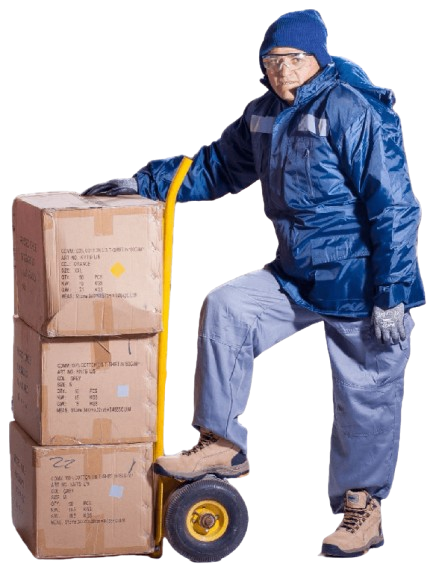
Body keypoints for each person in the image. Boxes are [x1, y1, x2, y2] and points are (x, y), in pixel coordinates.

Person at [82, 9, 426, 559]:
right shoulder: (262, 116)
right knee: (228, 307)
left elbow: (395, 207)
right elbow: (216, 167)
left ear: (319, 60)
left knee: (365, 396)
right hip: (296, 272)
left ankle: (362, 507)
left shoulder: (352, 110)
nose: (282, 71)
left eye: (293, 59)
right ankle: (222, 442)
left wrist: (394, 292)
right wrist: (143, 183)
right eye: (272, 61)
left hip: (360, 282)